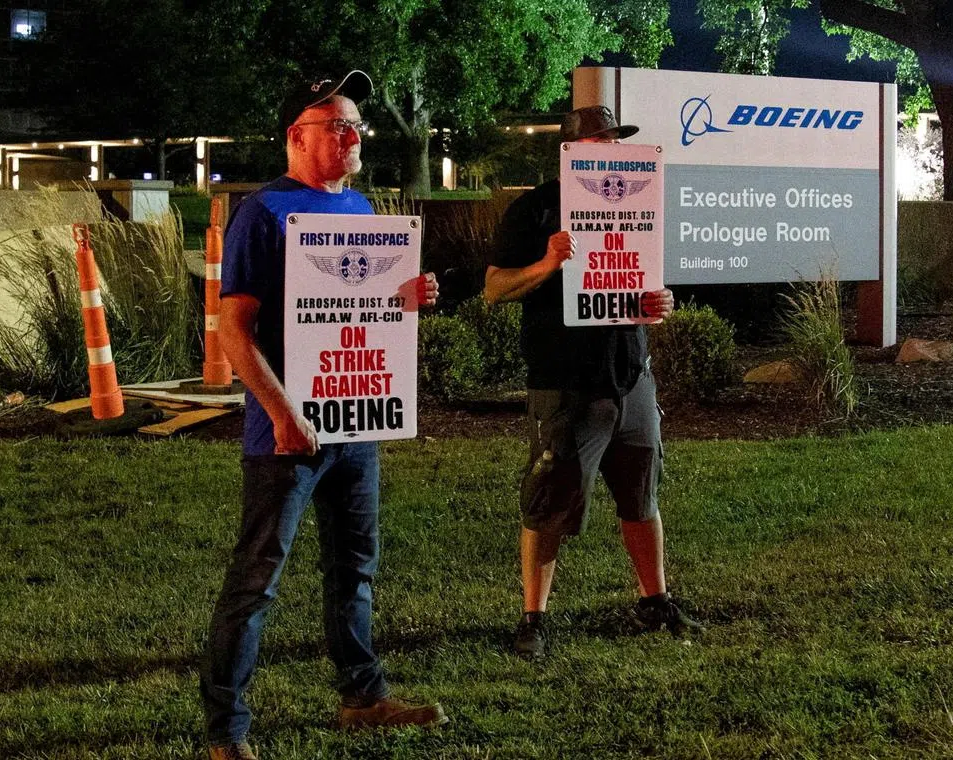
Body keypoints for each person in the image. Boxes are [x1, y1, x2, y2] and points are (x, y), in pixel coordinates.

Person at [200, 70, 446, 760]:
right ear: (296, 137)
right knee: (257, 580)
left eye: (355, 125)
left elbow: (360, 306)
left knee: (355, 570)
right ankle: (227, 733)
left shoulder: (364, 209)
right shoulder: (266, 213)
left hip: (355, 425)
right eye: (337, 124)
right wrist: (279, 411)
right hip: (286, 434)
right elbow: (233, 330)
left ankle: (362, 698)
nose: (352, 135)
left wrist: (407, 296)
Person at [484, 105, 703, 659]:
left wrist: (659, 302)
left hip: (631, 377)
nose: (613, 149)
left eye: (617, 139)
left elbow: (643, 283)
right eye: (602, 141)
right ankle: (533, 617)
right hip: (565, 382)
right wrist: (547, 264)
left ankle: (654, 600)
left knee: (641, 496)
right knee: (549, 502)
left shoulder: (632, 203)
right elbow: (495, 289)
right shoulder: (534, 210)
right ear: (572, 150)